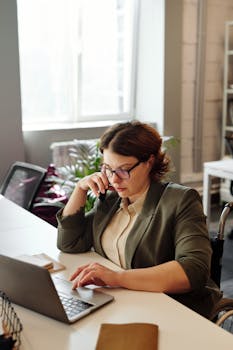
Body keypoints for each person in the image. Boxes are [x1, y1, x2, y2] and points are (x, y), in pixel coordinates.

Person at [57, 120, 222, 318]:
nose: (114, 179)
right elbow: (70, 243)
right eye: (108, 168)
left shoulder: (180, 200)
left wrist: (117, 278)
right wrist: (80, 189)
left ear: (149, 162)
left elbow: (193, 270)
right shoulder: (111, 199)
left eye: (123, 169)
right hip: (122, 304)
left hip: (171, 310)